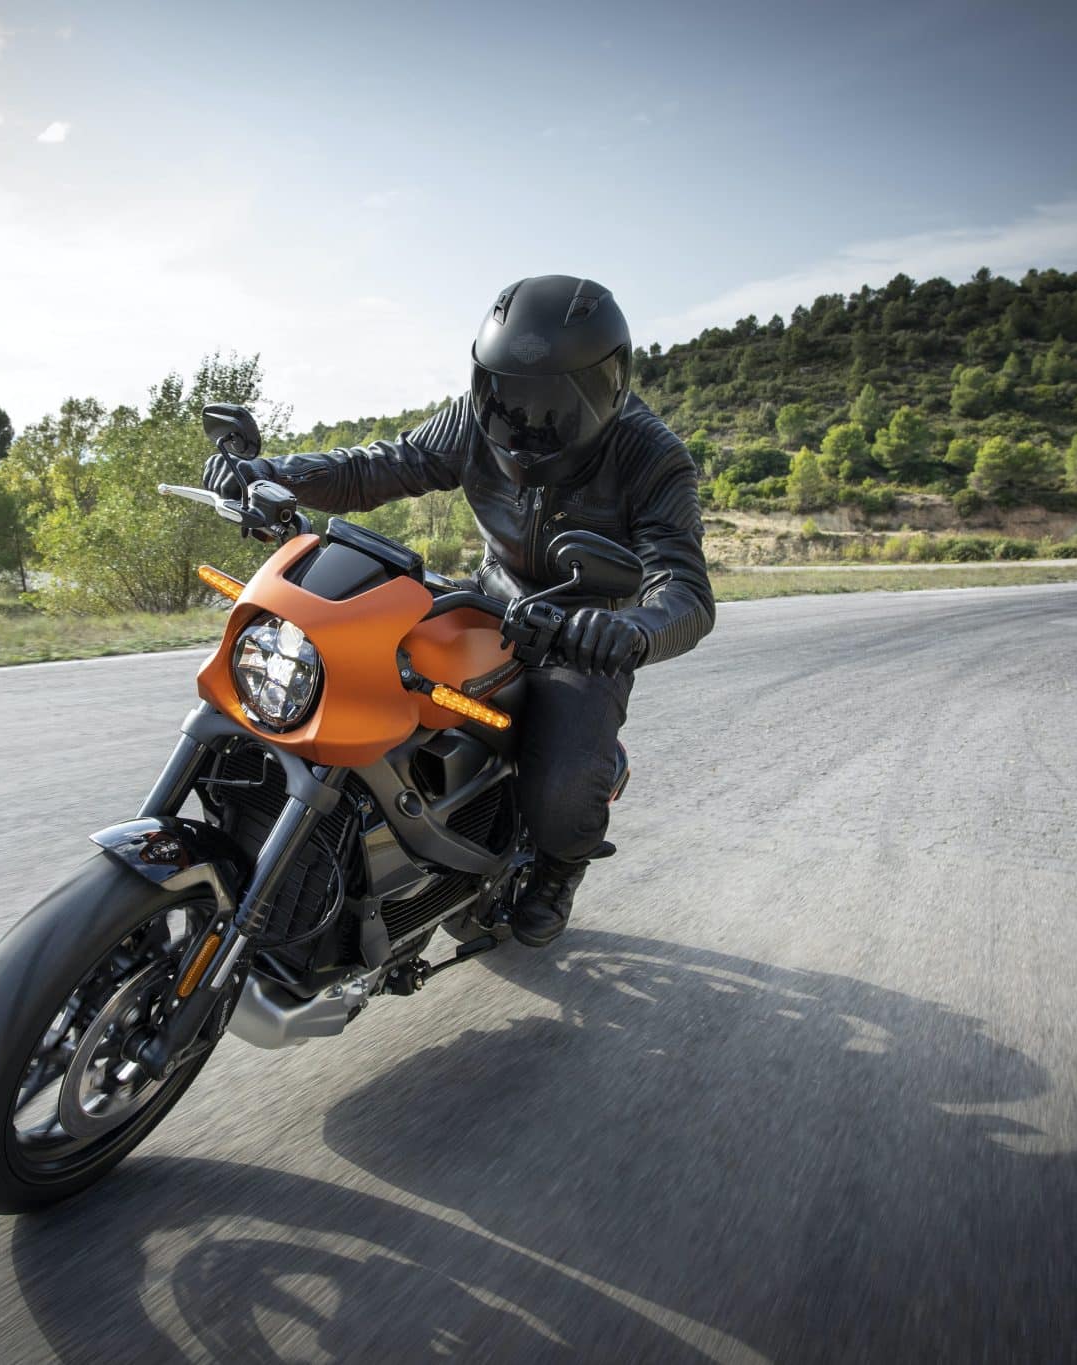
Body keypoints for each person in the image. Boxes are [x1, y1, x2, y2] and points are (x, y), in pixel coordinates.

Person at [203, 274, 714, 947]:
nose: (520, 421)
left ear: (603, 388)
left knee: (561, 793)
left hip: (583, 626)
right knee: (357, 676)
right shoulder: (481, 419)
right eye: (503, 396)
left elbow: (684, 591)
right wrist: (275, 473)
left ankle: (559, 868)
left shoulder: (652, 458)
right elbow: (384, 465)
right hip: (490, 595)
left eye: (547, 404)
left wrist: (624, 629)